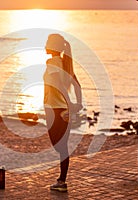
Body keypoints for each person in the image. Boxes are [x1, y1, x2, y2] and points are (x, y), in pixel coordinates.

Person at [44, 33, 83, 192]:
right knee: (62, 147)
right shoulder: (65, 64)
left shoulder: (52, 62)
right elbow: (77, 85)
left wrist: (72, 105)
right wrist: (77, 104)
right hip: (63, 110)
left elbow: (59, 85)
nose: (44, 45)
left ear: (52, 46)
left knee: (58, 146)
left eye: (47, 42)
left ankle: (61, 182)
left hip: (54, 110)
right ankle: (62, 181)